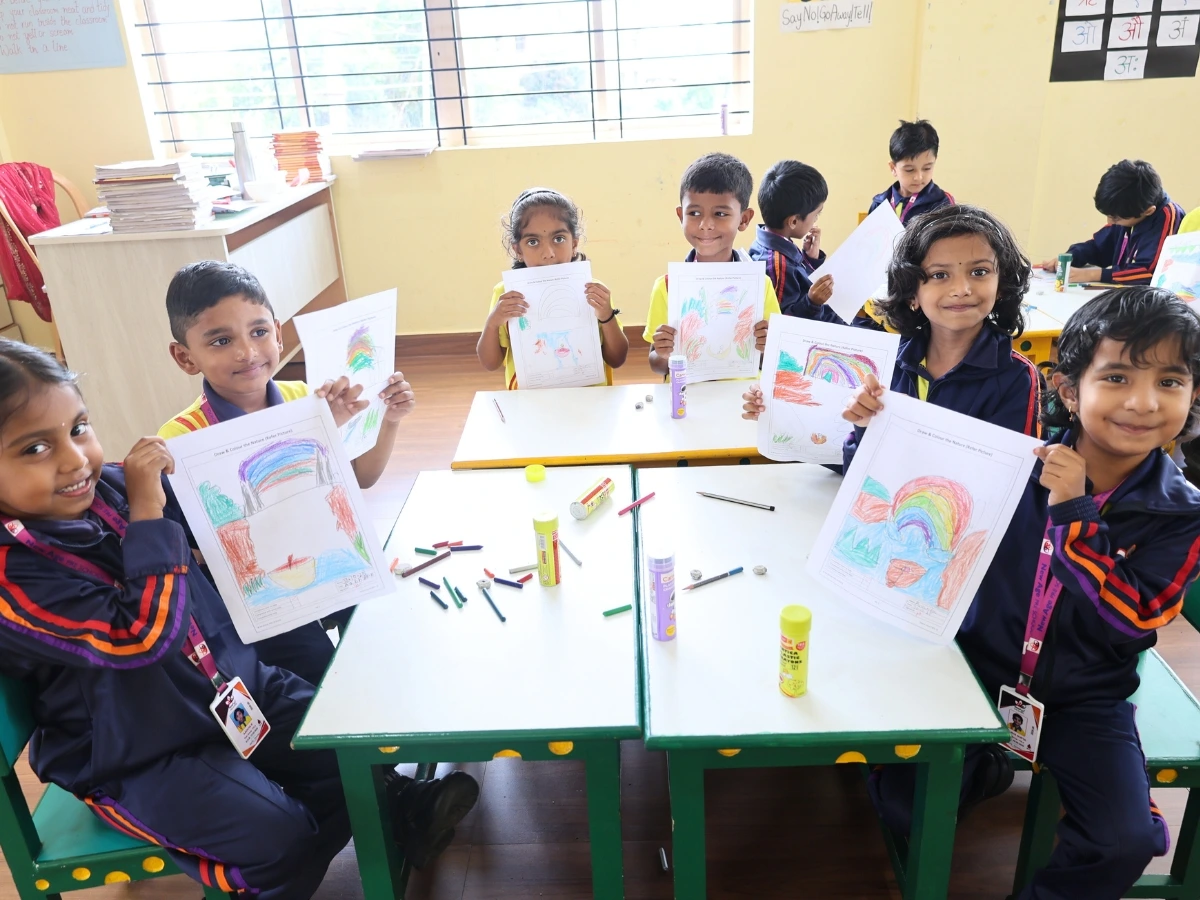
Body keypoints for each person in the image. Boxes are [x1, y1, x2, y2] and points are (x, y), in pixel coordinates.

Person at [0, 340, 478, 898]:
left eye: (78, 427)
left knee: (357, 747)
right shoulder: (15, 576)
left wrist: (316, 428)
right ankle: (344, 830)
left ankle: (385, 809)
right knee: (277, 839)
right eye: (34, 447)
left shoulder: (107, 488)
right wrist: (148, 512)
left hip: (232, 691)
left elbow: (221, 508)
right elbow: (141, 637)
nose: (75, 459)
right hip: (138, 754)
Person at [871, 287, 1200, 899]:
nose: (1143, 402)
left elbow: (1132, 620)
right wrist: (875, 425)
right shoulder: (1014, 460)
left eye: (1171, 382)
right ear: (1070, 390)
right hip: (975, 667)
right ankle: (989, 768)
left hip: (1083, 696)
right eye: (1119, 376)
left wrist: (1074, 512)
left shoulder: (1180, 514)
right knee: (900, 808)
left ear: (1192, 394)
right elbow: (916, 483)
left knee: (1124, 840)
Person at [159, 261, 416, 684]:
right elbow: (201, 557)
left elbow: (363, 478)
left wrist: (388, 419)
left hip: (335, 566)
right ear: (185, 357)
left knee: (387, 634)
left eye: (259, 332)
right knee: (315, 673)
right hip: (264, 601)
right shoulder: (182, 439)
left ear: (279, 333)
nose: (247, 352)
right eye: (221, 340)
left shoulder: (307, 398)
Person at [742, 205, 1041, 470]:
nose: (961, 288)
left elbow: (1012, 487)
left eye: (979, 272)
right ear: (912, 293)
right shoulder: (887, 364)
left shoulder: (1016, 379)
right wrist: (781, 411)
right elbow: (854, 469)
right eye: (939, 275)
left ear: (1001, 285)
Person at [477, 187, 628, 388]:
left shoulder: (594, 291)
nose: (547, 253)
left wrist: (607, 315)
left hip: (590, 401)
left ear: (574, 244)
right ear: (517, 250)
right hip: (530, 403)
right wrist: (493, 323)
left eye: (558, 239)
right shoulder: (506, 294)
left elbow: (617, 359)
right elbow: (490, 363)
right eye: (533, 242)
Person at [645, 152, 780, 376]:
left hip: (743, 400)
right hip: (687, 399)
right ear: (681, 216)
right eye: (694, 213)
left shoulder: (759, 286)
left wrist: (768, 346)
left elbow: (772, 362)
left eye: (720, 213)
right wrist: (662, 353)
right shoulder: (668, 286)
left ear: (744, 219)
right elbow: (656, 365)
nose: (705, 224)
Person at [1039, 160, 1184, 286]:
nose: (1109, 222)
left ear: (1148, 211)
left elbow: (1150, 273)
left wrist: (1092, 275)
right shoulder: (1130, 210)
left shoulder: (1168, 217)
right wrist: (1071, 257)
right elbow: (1099, 247)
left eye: (1115, 218)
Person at [749, 159, 839, 322]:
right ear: (793, 221)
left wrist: (810, 259)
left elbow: (798, 283)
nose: (815, 220)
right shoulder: (777, 266)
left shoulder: (772, 241)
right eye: (816, 214)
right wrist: (812, 303)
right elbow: (781, 323)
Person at [867, 119, 955, 224]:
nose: (918, 177)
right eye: (909, 170)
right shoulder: (880, 204)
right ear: (893, 168)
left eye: (927, 168)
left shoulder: (942, 203)